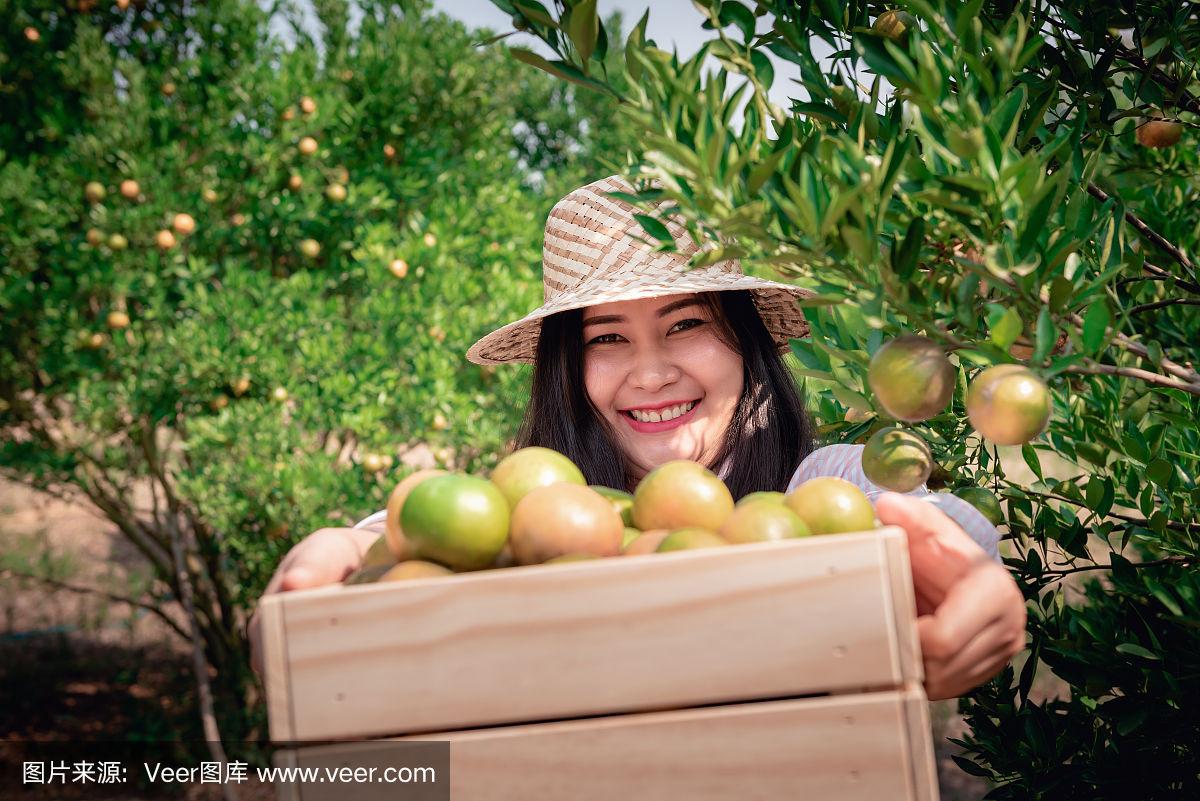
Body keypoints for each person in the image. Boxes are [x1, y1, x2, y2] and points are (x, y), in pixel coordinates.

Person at [249, 175, 1027, 700]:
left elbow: (938, 529)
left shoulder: (815, 485)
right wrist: (324, 573)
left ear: (745, 343)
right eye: (606, 338)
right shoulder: (538, 518)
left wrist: (978, 580)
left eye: (686, 323)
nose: (650, 374)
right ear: (567, 366)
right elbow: (409, 541)